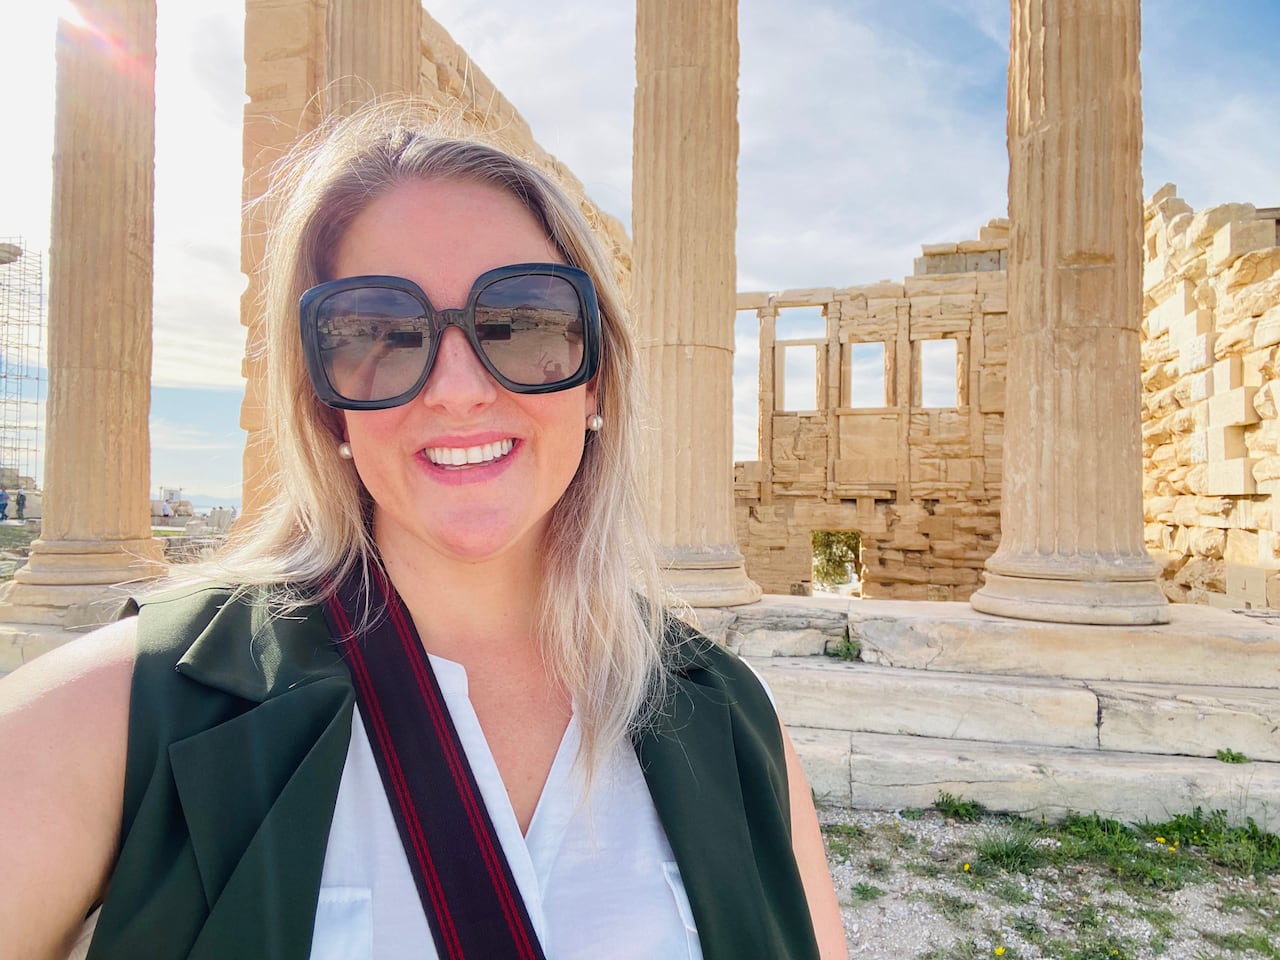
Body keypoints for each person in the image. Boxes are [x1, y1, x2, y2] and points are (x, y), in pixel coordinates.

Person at [0, 104, 847, 960]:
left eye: (522, 320)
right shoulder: (119, 715)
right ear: (323, 401)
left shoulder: (737, 722)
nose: (456, 387)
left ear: (596, 382)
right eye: (376, 331)